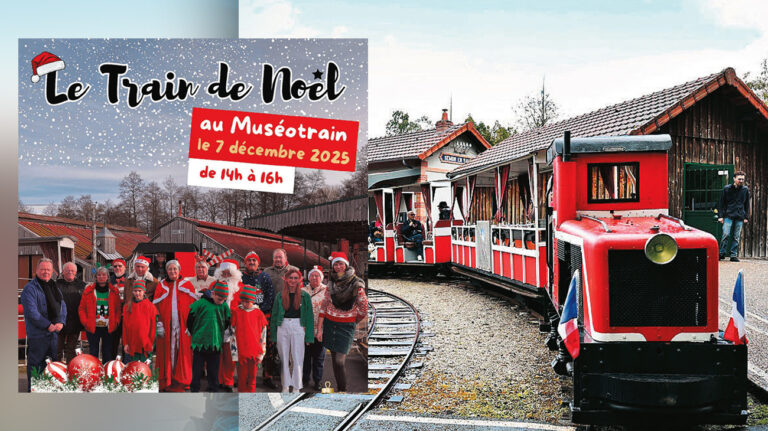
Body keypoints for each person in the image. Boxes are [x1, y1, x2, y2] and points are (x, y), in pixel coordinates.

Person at [318, 252, 368, 392]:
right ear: (333, 267)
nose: (338, 267)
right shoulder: (331, 283)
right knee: (334, 360)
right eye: (336, 264)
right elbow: (324, 304)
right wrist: (320, 328)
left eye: (341, 264)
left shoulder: (356, 283)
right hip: (330, 324)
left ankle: (343, 388)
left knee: (340, 361)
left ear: (346, 265)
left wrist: (352, 319)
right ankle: (340, 390)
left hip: (346, 327)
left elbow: (363, 307)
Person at [20, 258, 66, 391]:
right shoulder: (30, 289)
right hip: (38, 335)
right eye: (43, 269)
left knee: (52, 367)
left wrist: (61, 322)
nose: (45, 272)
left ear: (52, 272)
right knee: (36, 366)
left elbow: (63, 306)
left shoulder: (54, 286)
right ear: (36, 270)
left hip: (54, 335)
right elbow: (31, 312)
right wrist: (48, 325)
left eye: (48, 270)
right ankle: (34, 392)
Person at [154, 260, 197, 392]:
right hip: (166, 327)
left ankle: (182, 381)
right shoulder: (161, 286)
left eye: (175, 269)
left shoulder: (187, 285)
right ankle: (166, 380)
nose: (173, 272)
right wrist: (159, 323)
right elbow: (156, 307)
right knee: (166, 353)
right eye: (170, 269)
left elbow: (194, 308)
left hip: (183, 328)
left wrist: (191, 326)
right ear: (167, 271)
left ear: (179, 270)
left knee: (183, 354)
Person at [269, 267, 313, 393]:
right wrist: (273, 335)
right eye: (290, 278)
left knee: (298, 357)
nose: (293, 280)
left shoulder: (305, 296)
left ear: (299, 280)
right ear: (286, 279)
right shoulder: (280, 295)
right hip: (282, 326)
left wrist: (309, 336)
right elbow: (274, 315)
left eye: (295, 278)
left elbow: (309, 317)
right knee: (284, 358)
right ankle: (285, 385)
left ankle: (296, 386)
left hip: (298, 326)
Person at [261, 248, 298, 389]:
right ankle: (267, 376)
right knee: (269, 346)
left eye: (280, 257)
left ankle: (285, 376)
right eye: (275, 257)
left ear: (285, 258)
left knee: (286, 348)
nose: (278, 260)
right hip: (270, 315)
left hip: (287, 315)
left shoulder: (293, 271)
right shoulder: (266, 272)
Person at [187, 280, 231, 392]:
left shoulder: (224, 306)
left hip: (215, 343)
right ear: (214, 293)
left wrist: (219, 333)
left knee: (213, 371)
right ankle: (194, 390)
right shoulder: (200, 304)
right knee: (196, 371)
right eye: (219, 299)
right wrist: (195, 333)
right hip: (199, 343)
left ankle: (214, 390)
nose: (221, 302)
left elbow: (227, 321)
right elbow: (190, 319)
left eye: (223, 300)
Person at [210, 259, 242, 392]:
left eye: (229, 273)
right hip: (216, 325)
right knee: (216, 355)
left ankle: (228, 380)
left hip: (233, 326)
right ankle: (217, 380)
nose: (227, 275)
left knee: (230, 356)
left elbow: (243, 305)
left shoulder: (240, 286)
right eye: (224, 272)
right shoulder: (214, 285)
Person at [78, 266, 122, 364]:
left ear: (107, 277)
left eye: (104, 275)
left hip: (108, 327)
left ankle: (106, 373)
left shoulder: (114, 291)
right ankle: (94, 372)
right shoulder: (88, 291)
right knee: (93, 351)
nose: (101, 277)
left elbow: (118, 309)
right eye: (99, 275)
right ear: (96, 277)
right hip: (93, 327)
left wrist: (116, 322)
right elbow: (81, 308)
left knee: (107, 351)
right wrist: (85, 322)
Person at [232, 283, 268, 393]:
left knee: (252, 379)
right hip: (241, 353)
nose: (245, 303)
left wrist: (261, 354)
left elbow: (263, 335)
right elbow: (232, 334)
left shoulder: (259, 314)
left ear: (253, 300)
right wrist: (234, 353)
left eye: (248, 301)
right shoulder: (237, 313)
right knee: (242, 379)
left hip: (254, 352)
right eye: (243, 301)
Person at [302, 265, 327, 391]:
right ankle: (305, 379)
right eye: (312, 275)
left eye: (317, 275)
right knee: (305, 356)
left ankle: (317, 380)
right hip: (305, 330)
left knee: (318, 357)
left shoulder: (326, 291)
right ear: (309, 277)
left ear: (321, 278)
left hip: (320, 330)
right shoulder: (302, 291)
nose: (314, 277)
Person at [122, 279, 158, 363]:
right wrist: (125, 343)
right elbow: (125, 327)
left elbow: (153, 328)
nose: (137, 293)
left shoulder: (150, 307)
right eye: (135, 291)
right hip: (132, 344)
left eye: (139, 291)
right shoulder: (127, 307)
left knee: (144, 371)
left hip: (145, 345)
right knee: (132, 369)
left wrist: (151, 344)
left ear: (144, 291)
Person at [717, 171, 750, 262]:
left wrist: (746, 217)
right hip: (728, 215)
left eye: (742, 179)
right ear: (734, 179)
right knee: (726, 234)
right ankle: (721, 253)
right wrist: (720, 216)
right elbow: (721, 203)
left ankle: (733, 255)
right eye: (739, 179)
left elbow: (747, 204)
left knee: (736, 236)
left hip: (740, 216)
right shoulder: (726, 189)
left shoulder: (745, 190)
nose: (741, 181)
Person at [55, 261, 84, 362]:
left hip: (75, 322)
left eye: (72, 270)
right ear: (63, 272)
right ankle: (56, 372)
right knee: (57, 349)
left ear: (76, 272)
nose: (70, 272)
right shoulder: (55, 285)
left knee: (71, 350)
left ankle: (70, 372)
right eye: (67, 270)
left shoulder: (82, 286)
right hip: (59, 322)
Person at [109, 258, 127, 360]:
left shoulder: (129, 280)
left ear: (124, 267)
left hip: (125, 315)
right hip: (113, 316)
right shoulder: (109, 280)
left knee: (125, 343)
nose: (117, 268)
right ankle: (111, 366)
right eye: (115, 266)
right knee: (112, 343)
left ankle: (125, 365)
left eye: (120, 266)